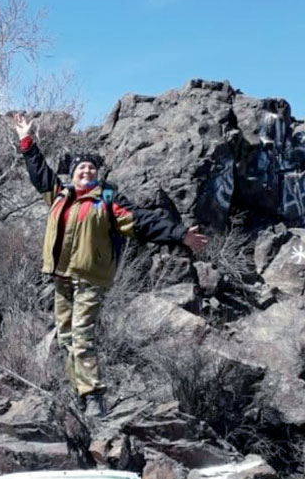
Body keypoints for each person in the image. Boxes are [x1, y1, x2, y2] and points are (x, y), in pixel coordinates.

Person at [14, 112, 208, 419]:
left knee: (80, 334)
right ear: (73, 173)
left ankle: (94, 397)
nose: (86, 171)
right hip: (61, 278)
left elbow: (142, 221)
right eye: (81, 167)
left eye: (91, 168)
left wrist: (180, 234)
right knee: (65, 337)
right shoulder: (59, 196)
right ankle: (80, 393)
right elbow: (39, 172)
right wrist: (27, 140)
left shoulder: (107, 200)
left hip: (91, 279)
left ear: (97, 174)